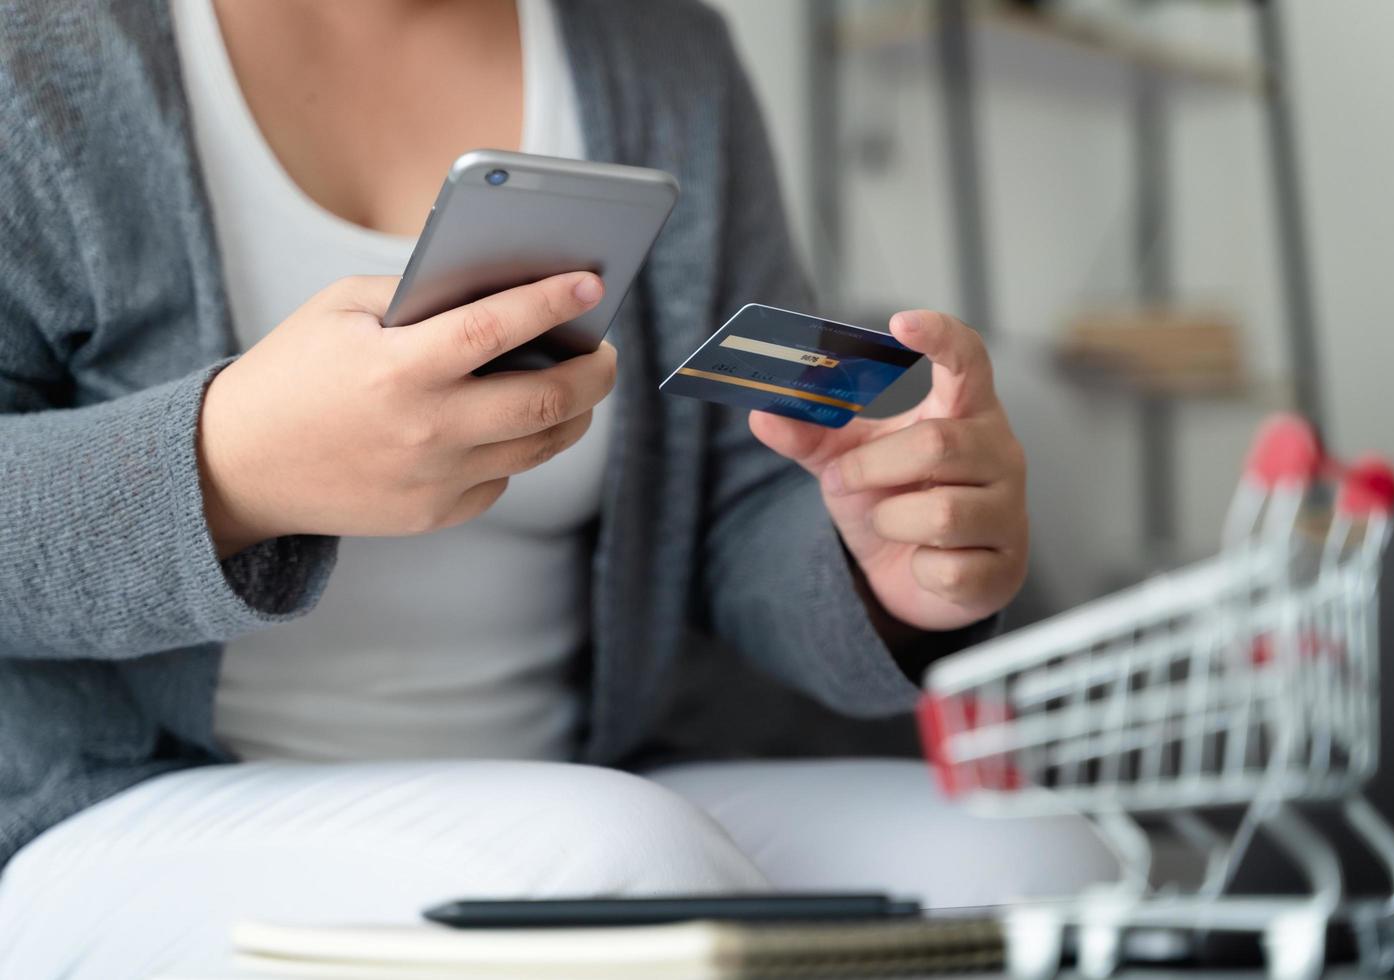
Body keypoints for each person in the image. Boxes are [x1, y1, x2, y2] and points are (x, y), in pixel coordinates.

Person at [0, 0, 1117, 975]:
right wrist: (228, 467)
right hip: (103, 815)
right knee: (617, 868)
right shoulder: (36, 53)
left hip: (575, 775)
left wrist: (883, 564)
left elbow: (738, 502)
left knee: (1045, 861)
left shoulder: (663, 60)